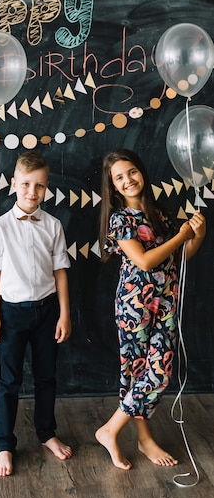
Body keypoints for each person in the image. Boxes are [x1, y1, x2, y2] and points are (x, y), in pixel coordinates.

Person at [95, 148, 206, 470]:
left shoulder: (160, 214)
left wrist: (197, 234)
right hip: (135, 305)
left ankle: (123, 433)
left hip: (166, 301)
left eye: (131, 172)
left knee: (156, 371)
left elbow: (180, 258)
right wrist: (181, 236)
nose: (128, 180)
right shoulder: (120, 219)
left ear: (141, 172)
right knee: (140, 372)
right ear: (113, 186)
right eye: (119, 177)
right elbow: (143, 260)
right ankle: (120, 433)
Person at [0, 151, 73, 477]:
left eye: (38, 186)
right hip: (11, 312)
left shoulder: (53, 225)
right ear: (14, 184)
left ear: (46, 188)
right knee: (10, 381)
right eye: (25, 184)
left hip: (47, 310)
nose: (31, 191)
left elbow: (61, 271)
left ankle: (46, 433)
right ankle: (5, 444)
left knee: (47, 376)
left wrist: (65, 314)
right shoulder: (0, 227)